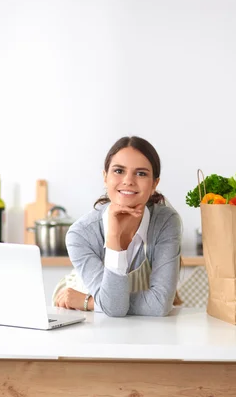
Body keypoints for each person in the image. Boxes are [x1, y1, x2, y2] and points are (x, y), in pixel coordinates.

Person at [53, 136, 182, 317]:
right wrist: (114, 237)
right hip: (78, 314)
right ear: (105, 177)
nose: (128, 180)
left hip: (85, 304)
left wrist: (89, 301)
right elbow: (115, 308)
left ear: (154, 184)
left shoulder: (165, 221)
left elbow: (159, 304)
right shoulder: (80, 234)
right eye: (119, 170)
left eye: (141, 173)